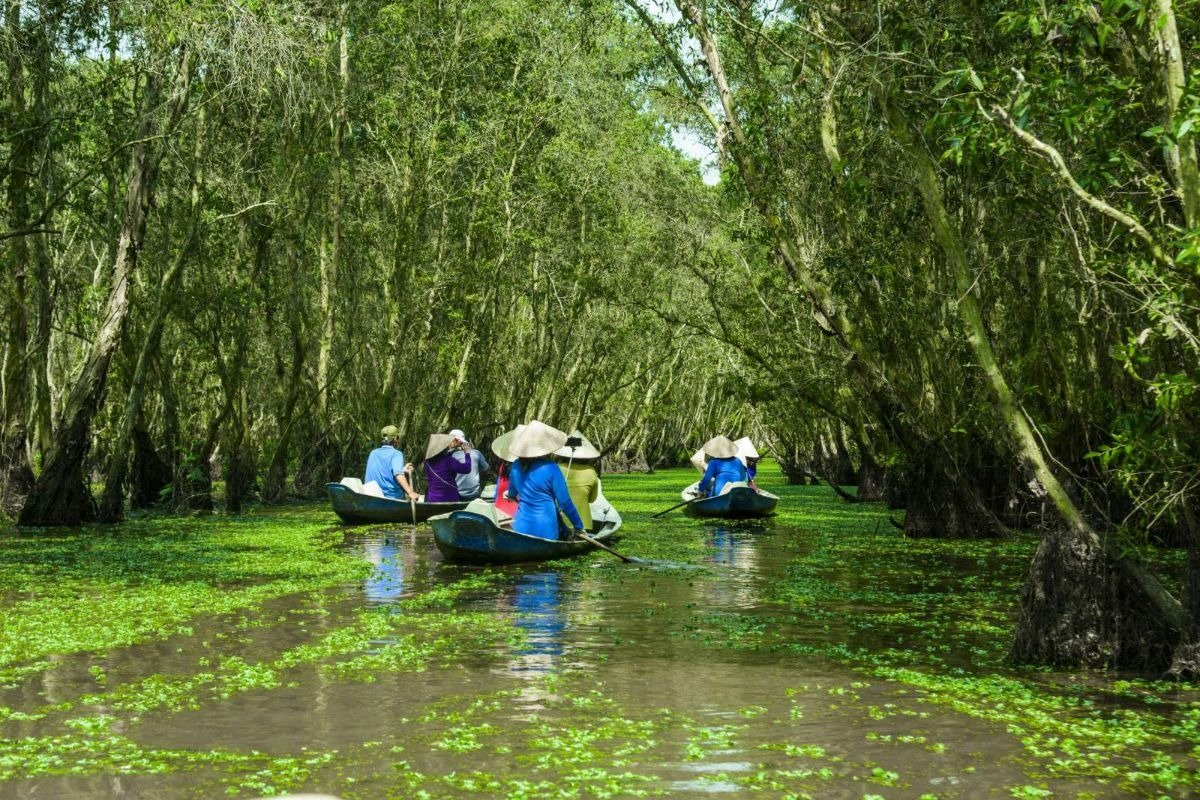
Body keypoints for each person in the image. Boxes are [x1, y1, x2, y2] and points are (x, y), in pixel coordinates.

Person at [505, 420, 585, 541]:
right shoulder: (551, 468)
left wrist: (510, 494)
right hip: (546, 532)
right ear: (544, 447)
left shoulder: (515, 466)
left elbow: (511, 494)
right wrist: (578, 526)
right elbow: (564, 503)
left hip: (520, 529)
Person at [555, 429, 601, 530]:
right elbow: (592, 499)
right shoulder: (591, 472)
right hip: (585, 525)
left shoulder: (555, 469)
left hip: (558, 524)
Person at [363, 425, 417, 501]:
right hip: (391, 498)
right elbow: (398, 475)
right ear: (395, 439)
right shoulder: (396, 454)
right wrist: (410, 492)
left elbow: (384, 470)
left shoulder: (373, 453)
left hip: (371, 495)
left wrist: (403, 469)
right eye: (397, 438)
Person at [423, 432, 473, 503]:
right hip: (449, 498)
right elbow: (467, 469)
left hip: (432, 499)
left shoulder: (427, 462)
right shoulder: (449, 461)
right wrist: (467, 453)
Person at [490, 424, 525, 517]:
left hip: (498, 508)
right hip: (514, 512)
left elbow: (498, 487)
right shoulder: (521, 467)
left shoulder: (503, 465)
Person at [449, 428, 491, 501]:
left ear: (455, 440)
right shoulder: (477, 453)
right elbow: (487, 469)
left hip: (457, 494)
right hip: (474, 493)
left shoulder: (451, 456)